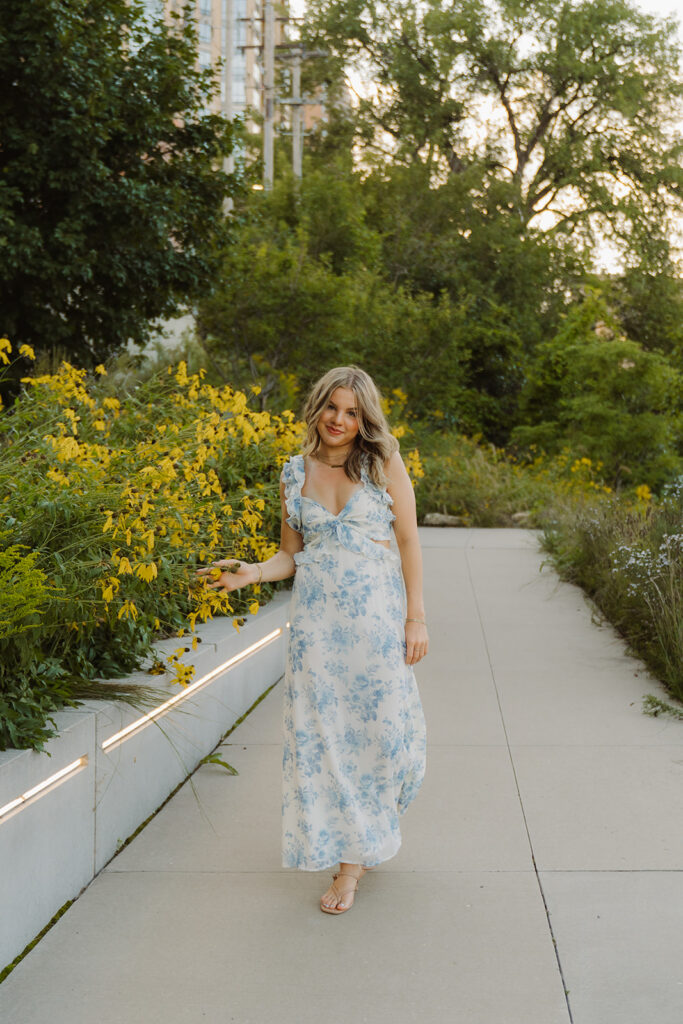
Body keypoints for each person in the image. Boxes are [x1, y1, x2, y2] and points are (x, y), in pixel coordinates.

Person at [197, 366, 427, 915]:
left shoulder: (382, 463)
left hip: (375, 628)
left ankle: (365, 839)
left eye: (352, 412)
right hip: (317, 635)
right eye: (332, 408)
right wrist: (251, 573)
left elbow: (410, 540)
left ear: (364, 417)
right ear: (317, 408)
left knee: (380, 738)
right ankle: (350, 863)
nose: (339, 421)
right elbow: (289, 556)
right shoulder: (294, 472)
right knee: (328, 743)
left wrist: (415, 617)